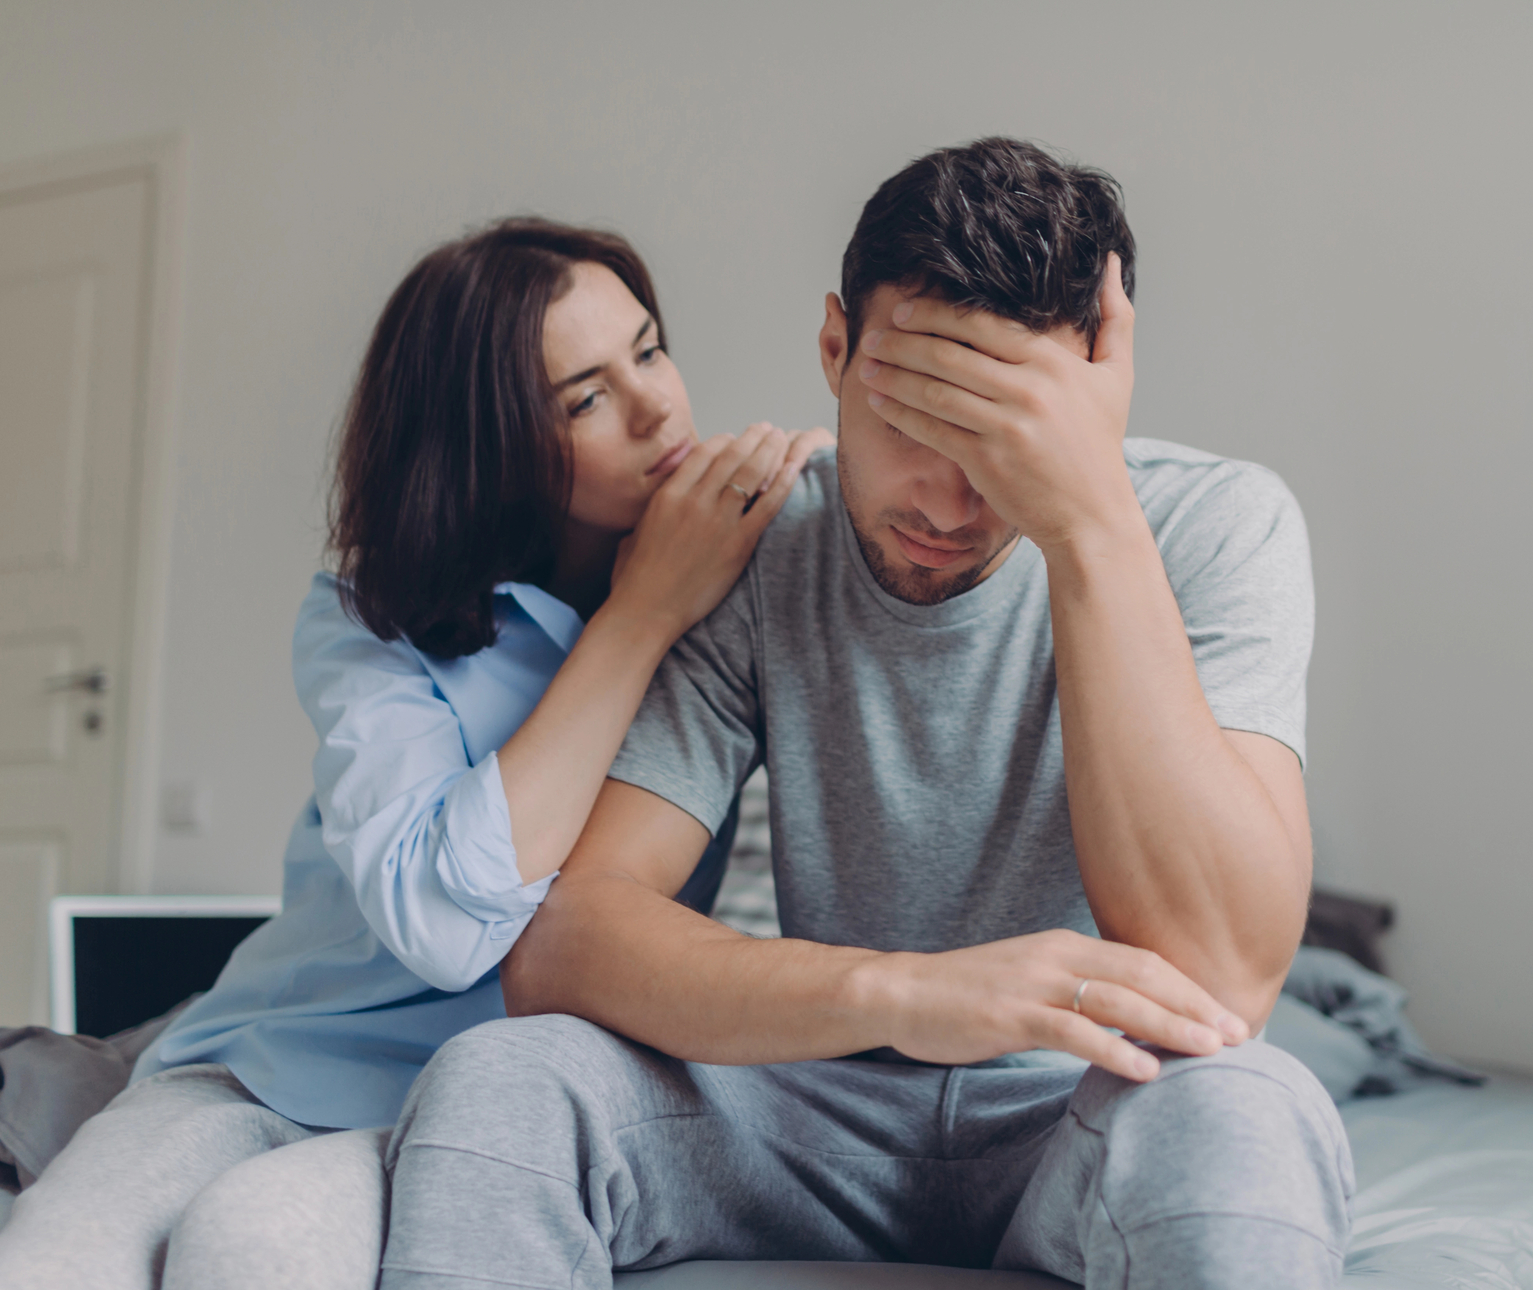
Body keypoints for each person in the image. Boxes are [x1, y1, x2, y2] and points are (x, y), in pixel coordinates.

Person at [377, 140, 1354, 1290]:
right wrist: (907, 993)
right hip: (811, 1097)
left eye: (998, 442)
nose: (946, 502)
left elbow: (1223, 976)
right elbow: (566, 942)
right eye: (910, 427)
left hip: (1083, 1107)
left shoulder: (1214, 525)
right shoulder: (760, 541)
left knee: (1249, 1106)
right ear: (835, 347)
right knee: (500, 1077)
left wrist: (1086, 522)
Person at [0, 219, 828, 1290]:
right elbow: (445, 924)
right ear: (491, 443)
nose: (658, 407)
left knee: (254, 1246)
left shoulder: (744, 583)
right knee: (44, 1270)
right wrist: (640, 615)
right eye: (587, 397)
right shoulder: (372, 618)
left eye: (649, 350)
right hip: (265, 1064)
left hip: (496, 1098)